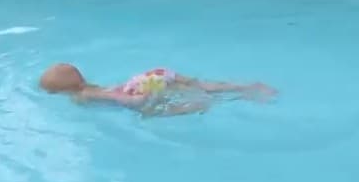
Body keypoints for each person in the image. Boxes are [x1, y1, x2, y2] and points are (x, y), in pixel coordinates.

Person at [39, 63, 277, 117]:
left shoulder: (83, 96)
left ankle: (202, 105)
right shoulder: (89, 85)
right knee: (199, 85)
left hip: (138, 89)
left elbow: (116, 98)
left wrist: (140, 102)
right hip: (153, 74)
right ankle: (246, 87)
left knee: (150, 114)